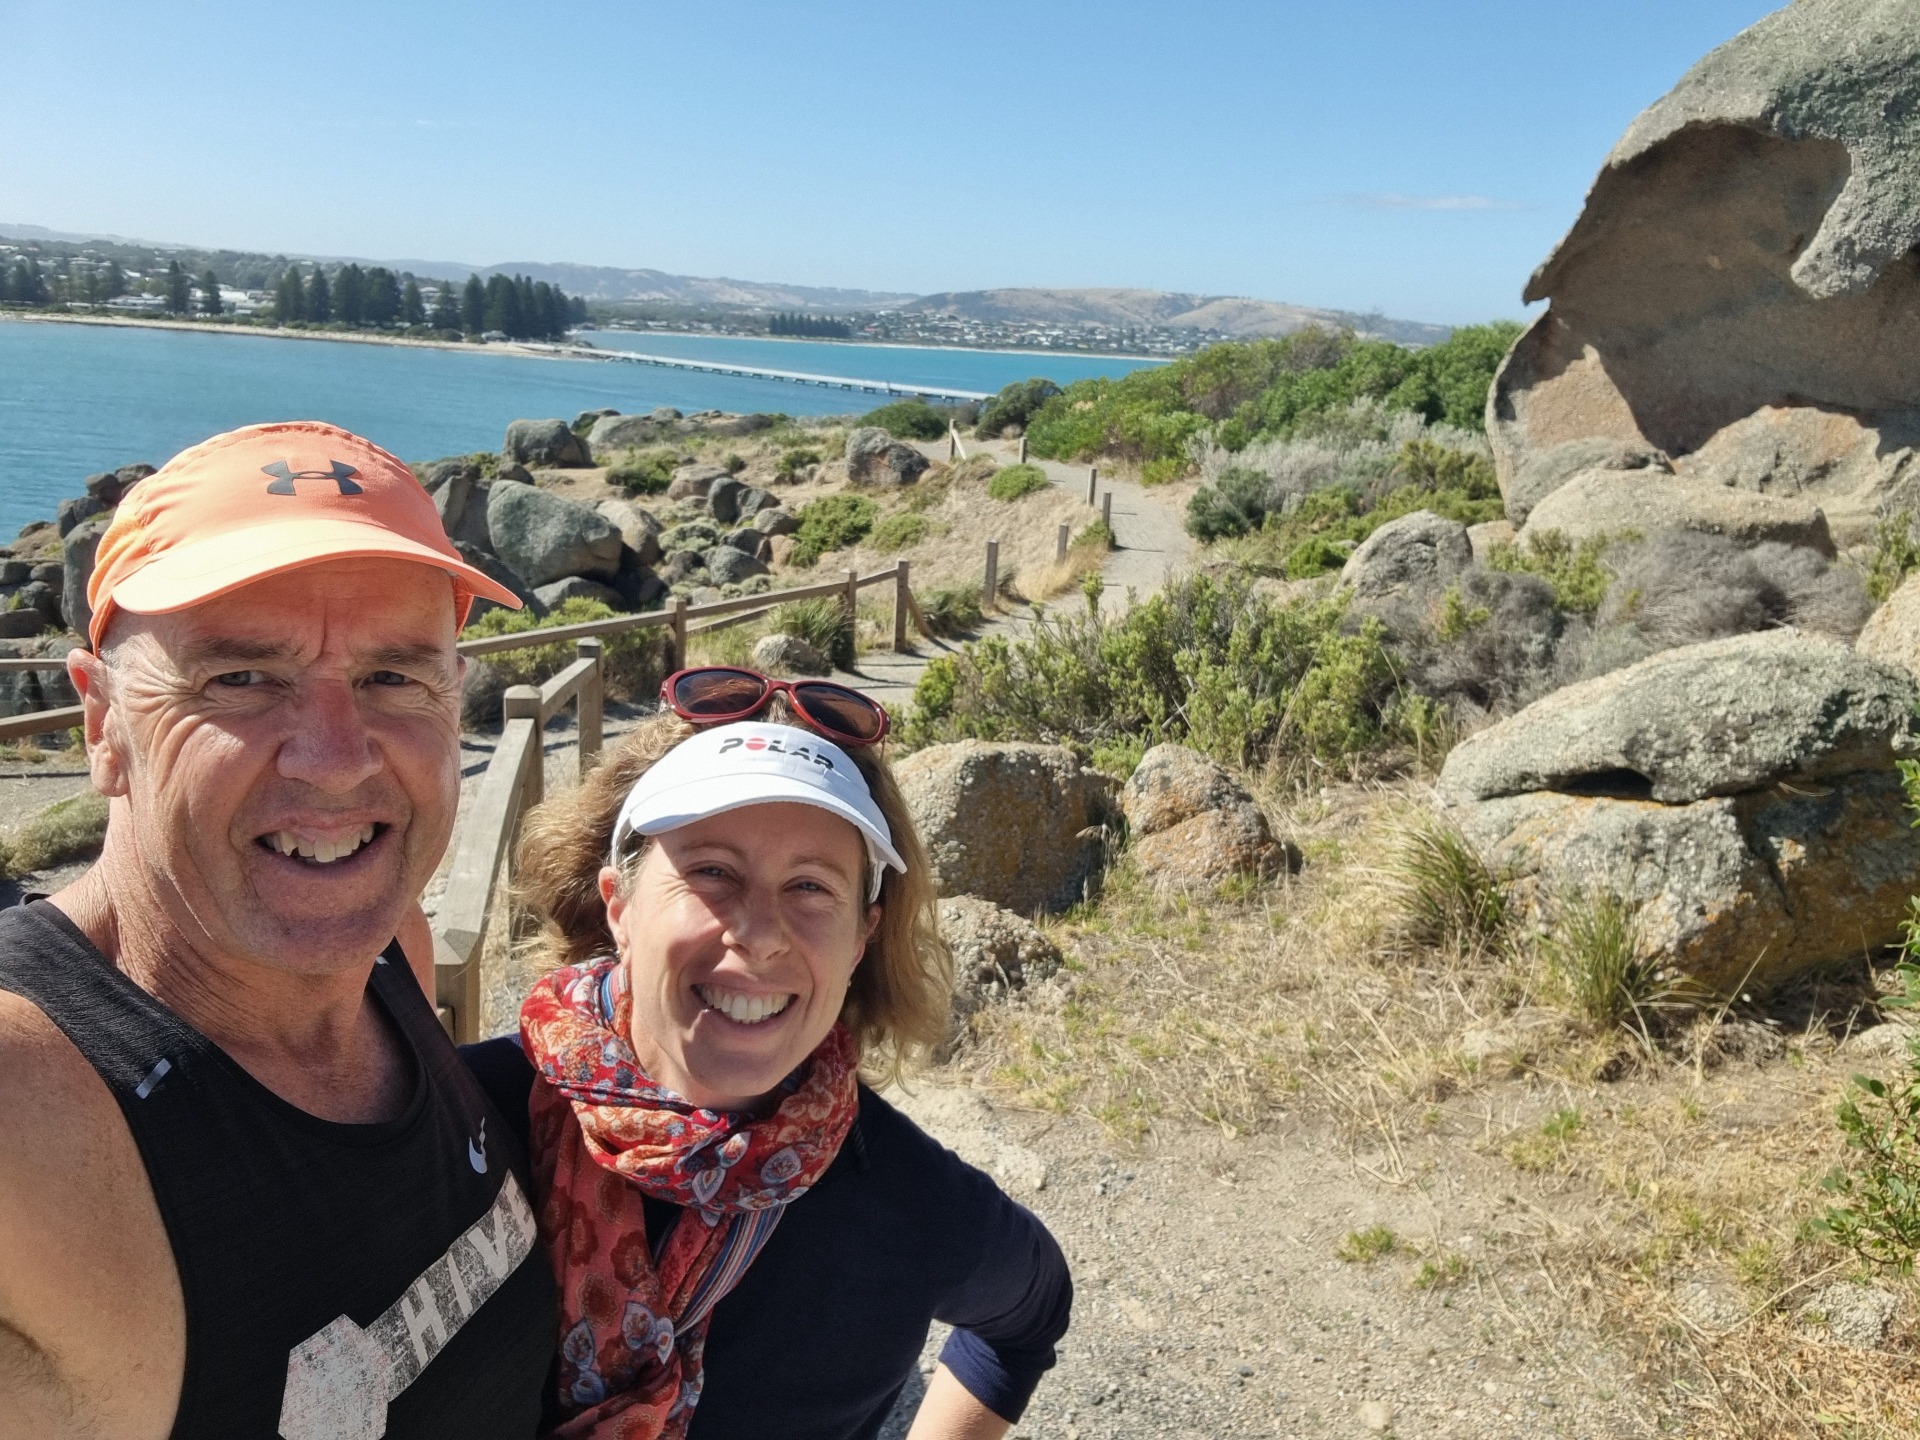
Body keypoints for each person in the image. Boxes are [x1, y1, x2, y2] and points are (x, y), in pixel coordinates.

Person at [0, 422, 558, 1439]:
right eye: (241, 679)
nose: (337, 760)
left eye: (395, 677)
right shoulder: (29, 1100)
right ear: (102, 726)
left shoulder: (393, 958)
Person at [462, 668, 1072, 1440]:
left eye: (811, 886)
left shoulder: (904, 1200)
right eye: (712, 871)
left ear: (861, 938)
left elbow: (1031, 1313)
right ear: (618, 905)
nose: (758, 932)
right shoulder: (461, 1128)